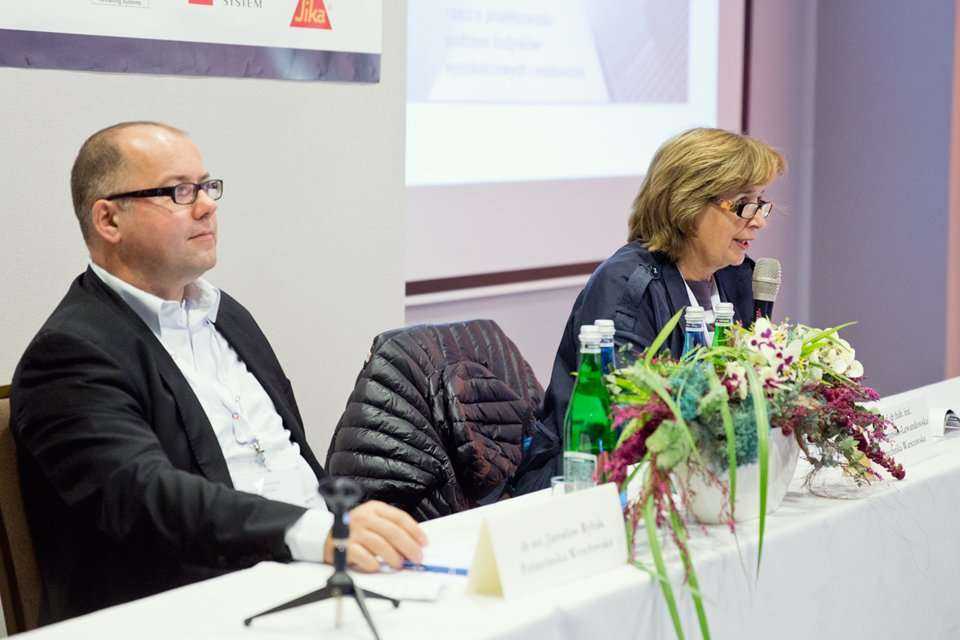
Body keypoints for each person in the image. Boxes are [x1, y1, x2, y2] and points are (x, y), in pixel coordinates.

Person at [10, 121, 427, 624]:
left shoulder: (225, 316)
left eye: (207, 187)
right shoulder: (70, 353)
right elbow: (147, 497)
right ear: (108, 220)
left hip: (313, 576)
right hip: (195, 607)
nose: (207, 205)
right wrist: (317, 534)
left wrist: (352, 529)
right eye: (179, 192)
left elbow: (290, 463)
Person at [536, 127, 786, 478]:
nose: (758, 221)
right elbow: (626, 424)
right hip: (590, 481)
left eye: (761, 204)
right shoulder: (626, 285)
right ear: (688, 204)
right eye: (744, 205)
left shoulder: (737, 277)